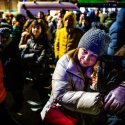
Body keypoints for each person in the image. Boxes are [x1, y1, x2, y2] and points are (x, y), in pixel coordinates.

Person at [41, 28, 106, 125]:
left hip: (79, 116)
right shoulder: (65, 63)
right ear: (79, 47)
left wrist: (94, 85)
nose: (86, 58)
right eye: (84, 51)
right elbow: (60, 95)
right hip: (59, 115)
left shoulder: (98, 68)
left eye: (93, 55)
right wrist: (97, 100)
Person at [0, 27, 21, 125]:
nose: (3, 39)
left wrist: (6, 65)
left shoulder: (13, 45)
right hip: (5, 75)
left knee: (16, 91)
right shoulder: (1, 45)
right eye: (1, 37)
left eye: (5, 37)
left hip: (14, 74)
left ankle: (18, 105)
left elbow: (15, 60)